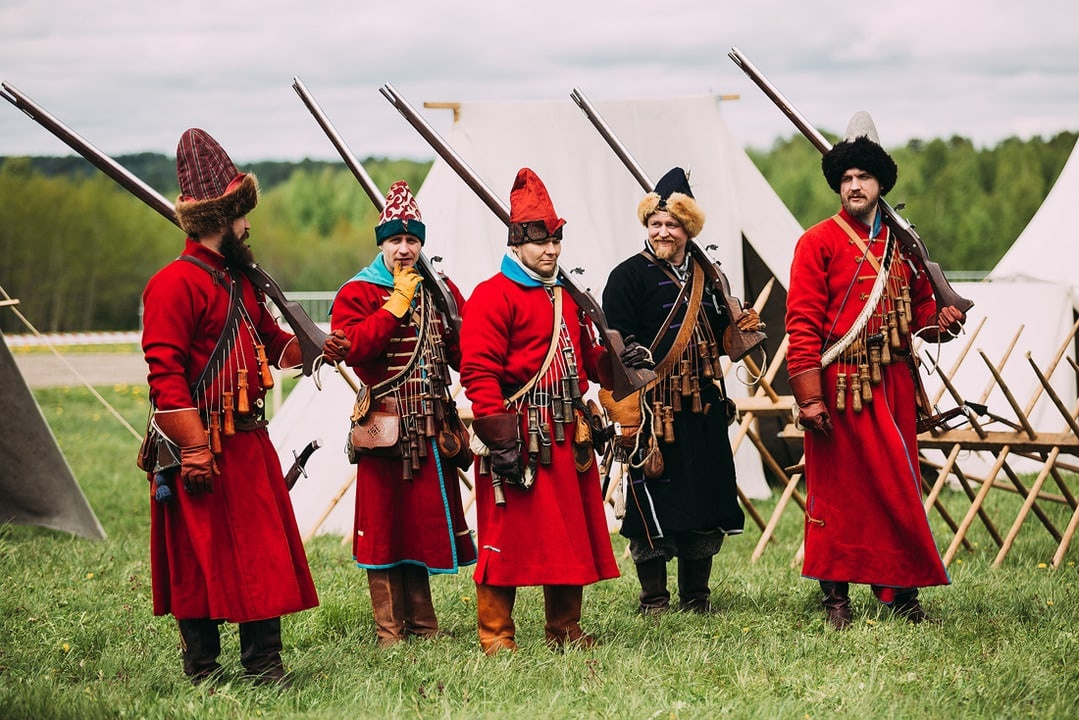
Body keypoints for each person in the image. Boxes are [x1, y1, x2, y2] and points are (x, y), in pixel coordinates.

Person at [141, 128, 350, 683]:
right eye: (240, 217)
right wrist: (191, 449)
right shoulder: (172, 285)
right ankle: (203, 670)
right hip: (199, 443)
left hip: (248, 438)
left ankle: (264, 664)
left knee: (261, 554)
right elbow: (165, 376)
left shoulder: (241, 279)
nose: (247, 226)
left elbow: (269, 338)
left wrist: (312, 346)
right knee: (198, 559)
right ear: (220, 219)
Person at [785, 112, 966, 629]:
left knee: (897, 488)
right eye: (846, 178)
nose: (855, 186)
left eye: (863, 177)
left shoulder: (903, 246)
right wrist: (810, 397)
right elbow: (801, 325)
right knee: (838, 495)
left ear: (880, 184)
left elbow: (924, 313)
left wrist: (944, 321)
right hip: (838, 387)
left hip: (892, 386)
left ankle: (902, 594)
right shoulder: (816, 242)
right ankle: (835, 598)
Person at [459, 168, 628, 655]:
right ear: (517, 242)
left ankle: (564, 629)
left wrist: (617, 363)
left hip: (565, 433)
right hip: (517, 434)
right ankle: (496, 635)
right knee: (504, 537)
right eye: (541, 243)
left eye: (556, 242)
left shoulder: (568, 299)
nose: (551, 252)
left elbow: (584, 359)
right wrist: (501, 438)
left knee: (568, 535)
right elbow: (479, 375)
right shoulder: (491, 296)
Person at [602, 167, 760, 615]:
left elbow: (722, 338)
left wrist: (738, 330)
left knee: (704, 495)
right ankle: (654, 599)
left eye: (672, 224)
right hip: (652, 406)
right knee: (649, 497)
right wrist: (631, 354)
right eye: (656, 223)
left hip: (703, 403)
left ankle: (697, 598)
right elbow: (615, 338)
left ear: (687, 228)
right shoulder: (627, 276)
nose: (663, 231)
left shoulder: (709, 278)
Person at [329, 180, 477, 647]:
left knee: (419, 529)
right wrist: (395, 304)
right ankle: (390, 632)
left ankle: (424, 627)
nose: (405, 249)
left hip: (431, 425)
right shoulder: (358, 291)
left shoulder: (440, 289)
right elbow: (357, 351)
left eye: (412, 240)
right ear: (382, 243)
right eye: (396, 240)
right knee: (383, 531)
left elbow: (463, 350)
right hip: (385, 428)